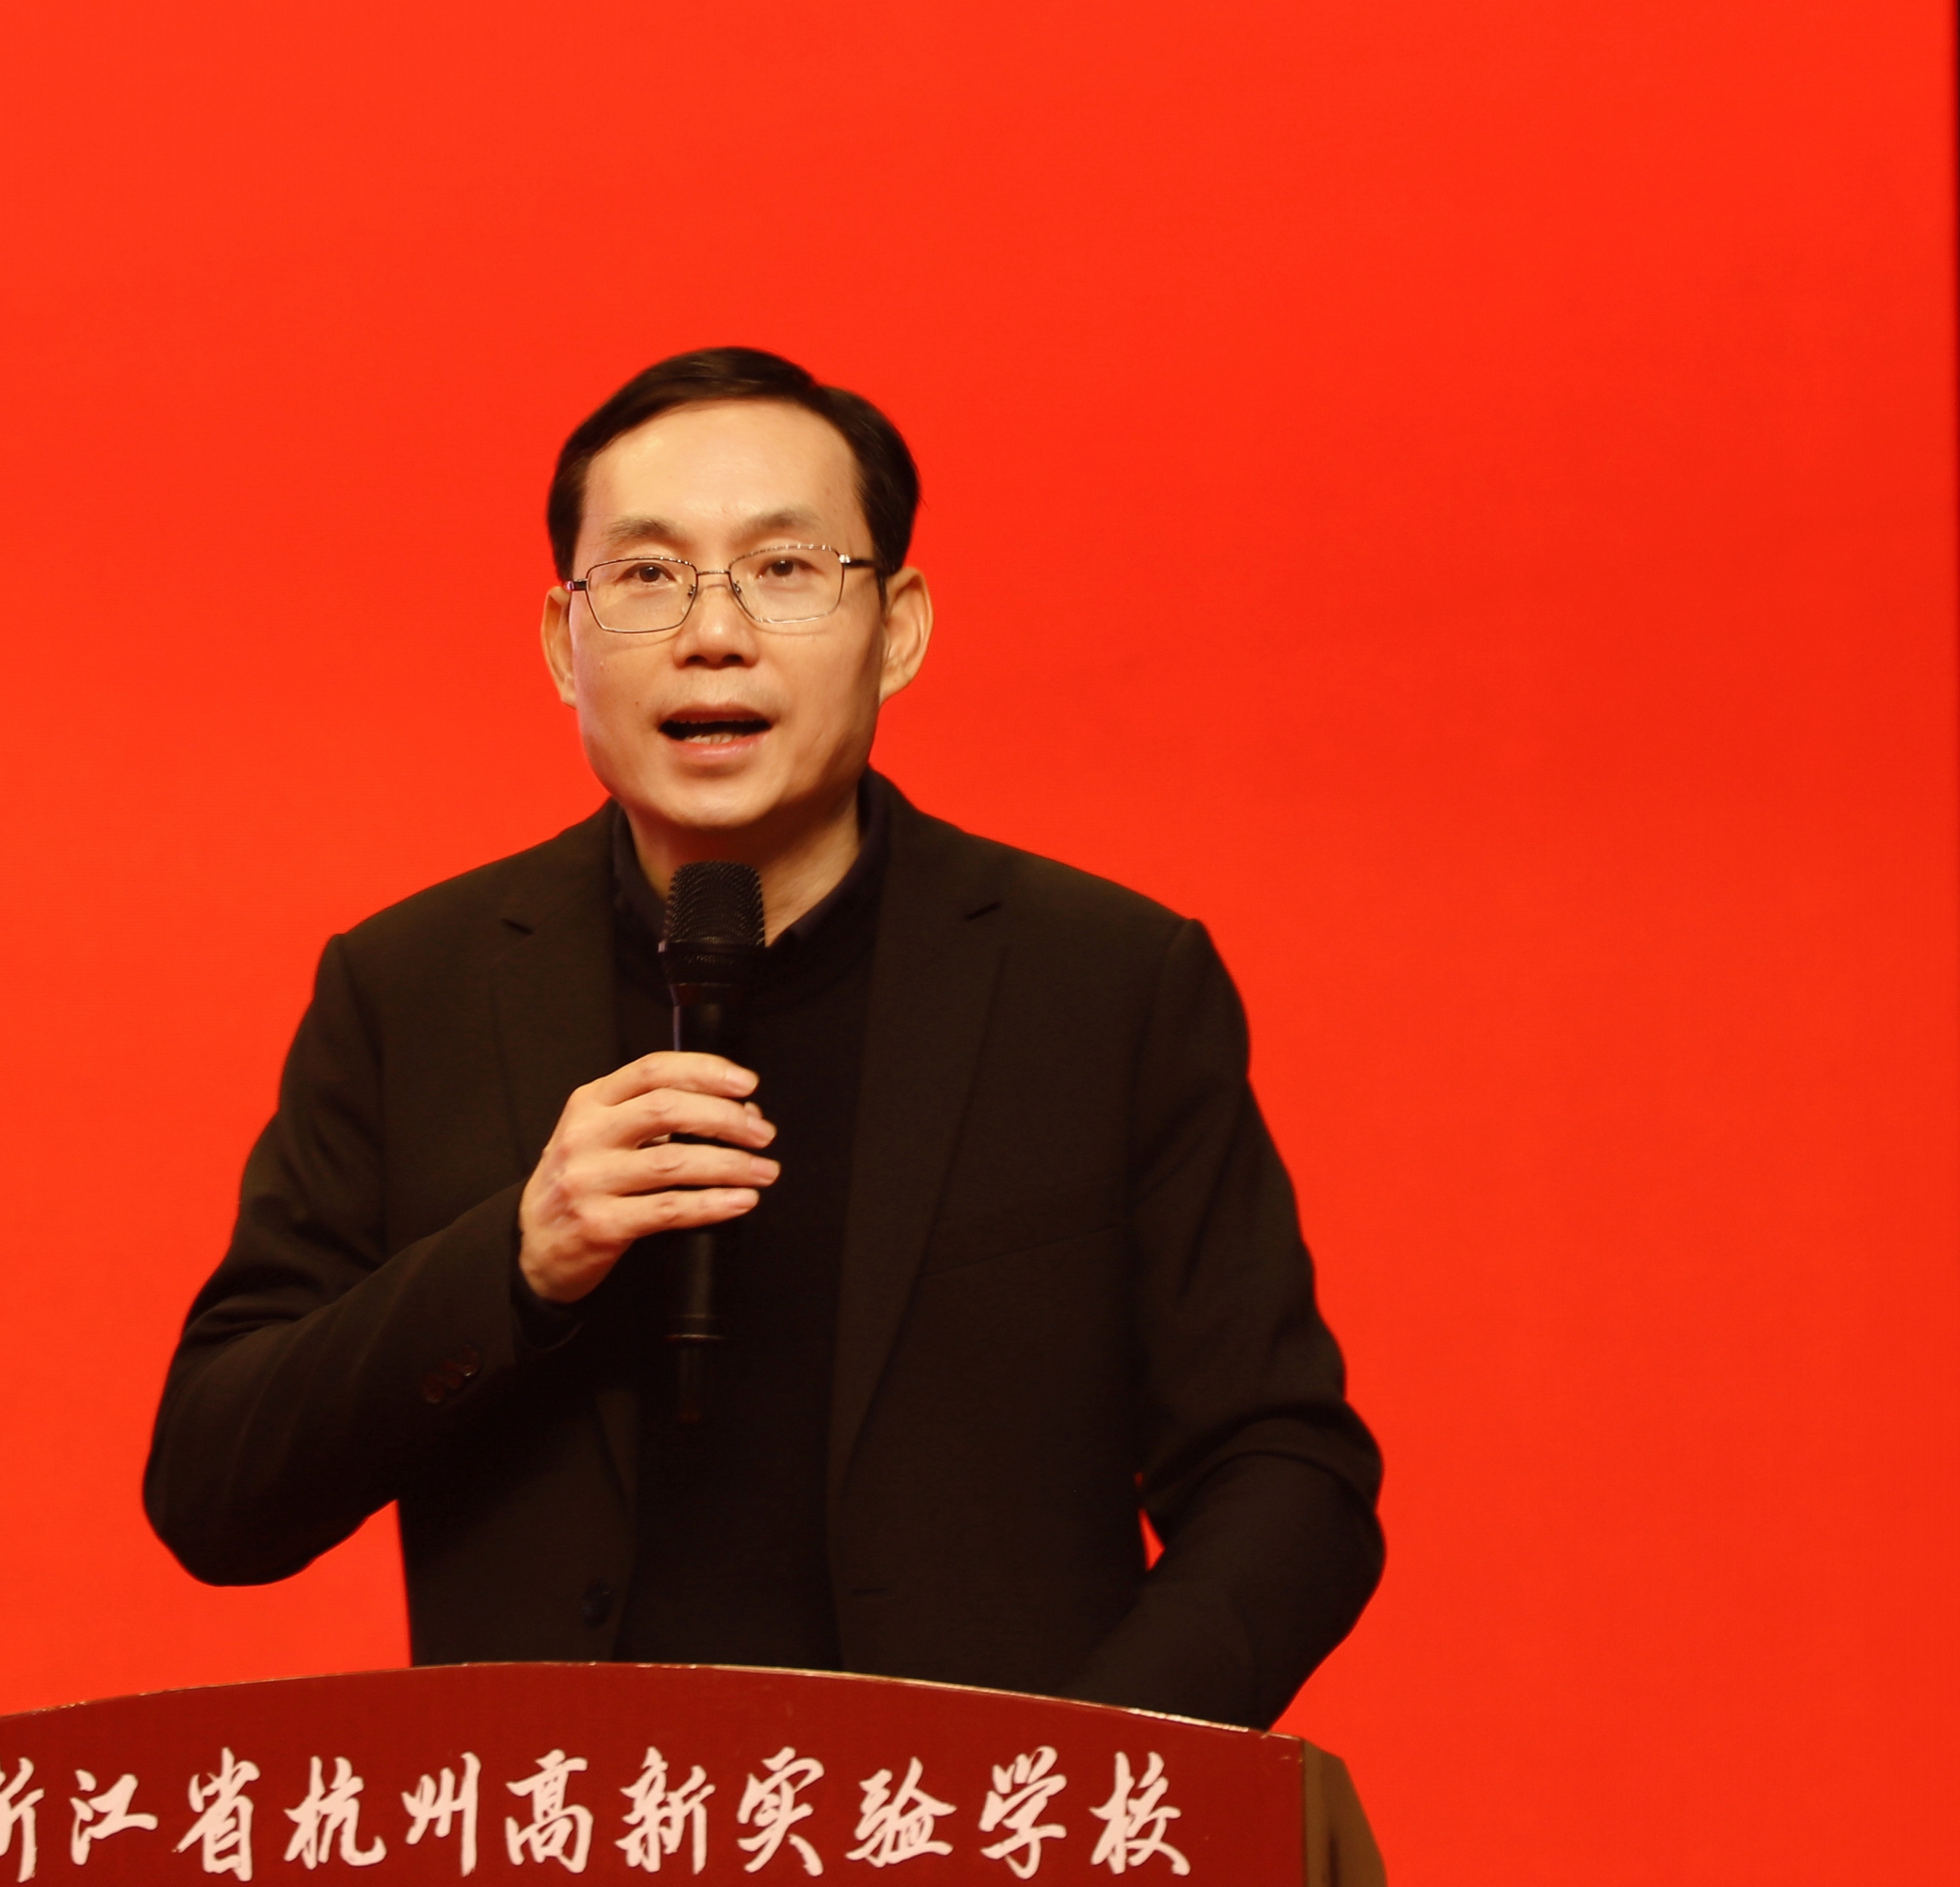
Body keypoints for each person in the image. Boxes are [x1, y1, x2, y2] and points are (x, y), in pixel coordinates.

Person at [142, 348, 1381, 1729]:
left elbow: (1289, 1477)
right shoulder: (411, 989)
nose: (713, 634)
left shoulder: (1104, 984)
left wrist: (1079, 1783)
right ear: (561, 642)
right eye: (648, 575)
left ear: (898, 628)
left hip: (975, 1846)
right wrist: (516, 1263)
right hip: (562, 1843)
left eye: (784, 569)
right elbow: (216, 1487)